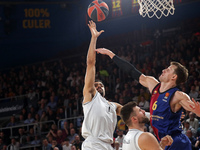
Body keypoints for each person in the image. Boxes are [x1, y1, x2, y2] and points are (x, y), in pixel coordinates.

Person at [95, 48, 200, 150]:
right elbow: (132, 71)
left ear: (174, 77)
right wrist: (111, 54)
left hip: (177, 142)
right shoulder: (152, 84)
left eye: (168, 70)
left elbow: (194, 109)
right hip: (164, 141)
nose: (163, 70)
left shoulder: (178, 96)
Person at [81, 20, 122, 150]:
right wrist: (94, 38)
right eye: (96, 85)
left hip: (108, 146)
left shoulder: (113, 106)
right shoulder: (90, 96)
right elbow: (91, 63)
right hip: (93, 144)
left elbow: (131, 113)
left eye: (101, 85)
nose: (99, 86)